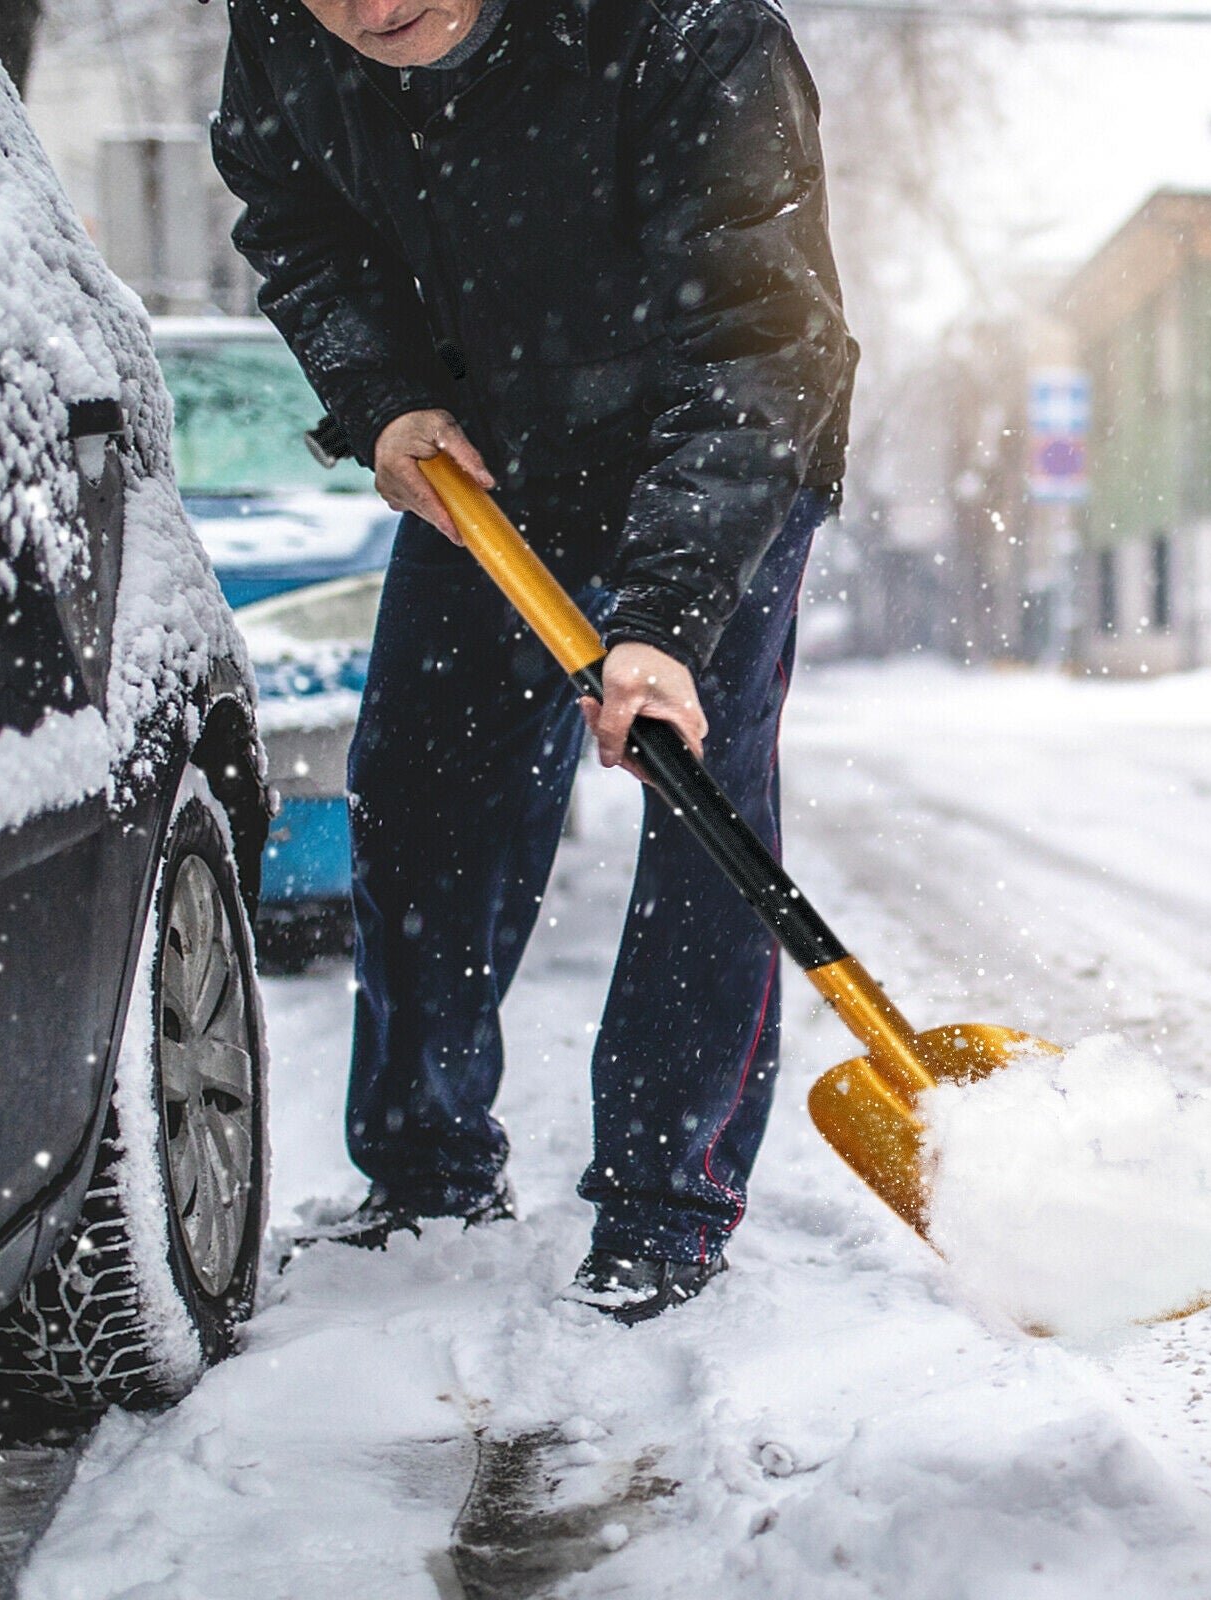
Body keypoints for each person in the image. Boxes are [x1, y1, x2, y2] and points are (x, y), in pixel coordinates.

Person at [213, 0, 857, 1322]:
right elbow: (294, 216)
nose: (376, 14)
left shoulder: (693, 34)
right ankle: (426, 1167)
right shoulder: (281, 23)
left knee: (699, 798)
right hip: (488, 454)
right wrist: (381, 394)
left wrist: (667, 623)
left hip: (714, 442)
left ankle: (666, 1201)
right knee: (422, 786)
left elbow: (759, 345)